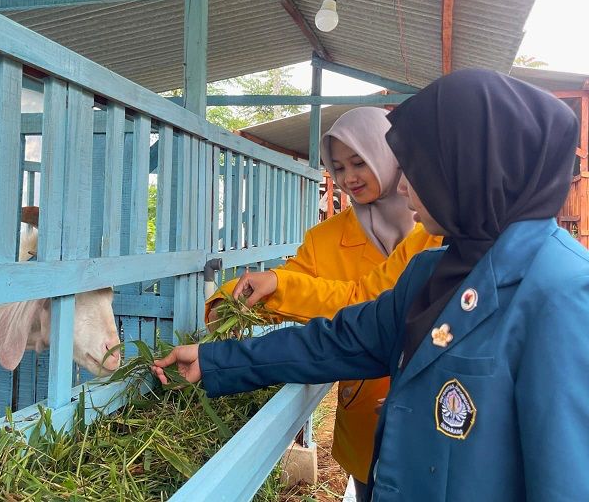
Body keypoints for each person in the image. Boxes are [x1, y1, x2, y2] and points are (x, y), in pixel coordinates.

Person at [153, 69, 589, 501]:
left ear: (470, 167)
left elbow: (566, 480)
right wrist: (213, 361)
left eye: (418, 169)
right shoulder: (432, 271)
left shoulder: (564, 293)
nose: (402, 185)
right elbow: (337, 341)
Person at [206, 107, 442, 498]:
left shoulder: (435, 229)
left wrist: (280, 285)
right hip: (365, 414)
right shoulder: (327, 237)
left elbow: (363, 302)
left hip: (433, 414)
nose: (349, 178)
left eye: (359, 162)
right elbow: (292, 279)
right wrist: (230, 300)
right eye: (338, 167)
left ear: (391, 156)